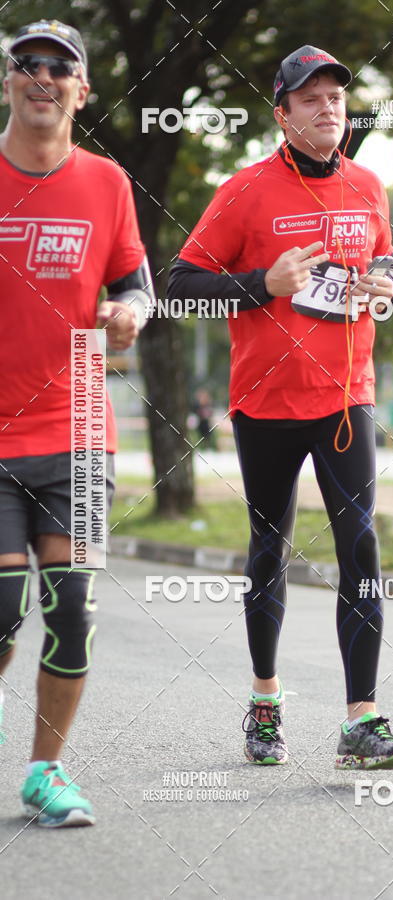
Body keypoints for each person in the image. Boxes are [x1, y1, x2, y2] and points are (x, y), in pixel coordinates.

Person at [168, 45, 393, 770]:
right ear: (281, 113)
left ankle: (360, 720)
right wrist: (261, 283)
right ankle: (265, 700)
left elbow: (382, 260)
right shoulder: (245, 191)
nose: (328, 106)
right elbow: (179, 282)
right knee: (268, 550)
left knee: (360, 546)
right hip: (265, 402)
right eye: (310, 97)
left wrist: (384, 284)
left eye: (336, 95)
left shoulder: (368, 184)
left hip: (345, 399)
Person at [0, 20, 154, 826]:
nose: (43, 76)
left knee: (71, 608)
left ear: (81, 91)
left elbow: (138, 283)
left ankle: (44, 773)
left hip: (77, 431)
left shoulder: (108, 183)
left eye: (60, 68)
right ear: (7, 81)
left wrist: (128, 314)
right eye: (27, 63)